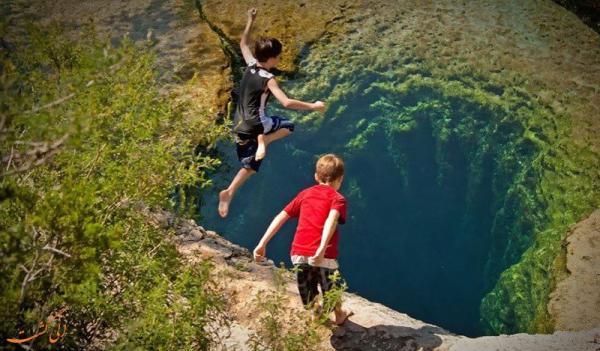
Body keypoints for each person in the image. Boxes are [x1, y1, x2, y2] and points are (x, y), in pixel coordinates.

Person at [218, 8, 326, 218]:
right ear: (270, 58)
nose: (278, 60)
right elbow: (286, 102)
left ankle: (230, 191)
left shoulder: (250, 65)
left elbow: (242, 44)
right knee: (288, 127)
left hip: (239, 124)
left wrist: (250, 20)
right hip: (257, 124)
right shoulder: (269, 79)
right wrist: (313, 105)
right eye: (277, 57)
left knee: (249, 164)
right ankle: (264, 141)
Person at [253, 154, 353, 325]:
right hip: (324, 255)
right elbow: (332, 220)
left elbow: (281, 216)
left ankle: (316, 314)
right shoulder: (338, 199)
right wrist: (321, 248)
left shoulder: (305, 194)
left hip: (298, 252)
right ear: (340, 179)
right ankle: (339, 314)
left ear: (316, 176)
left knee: (308, 289)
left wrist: (262, 243)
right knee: (332, 285)